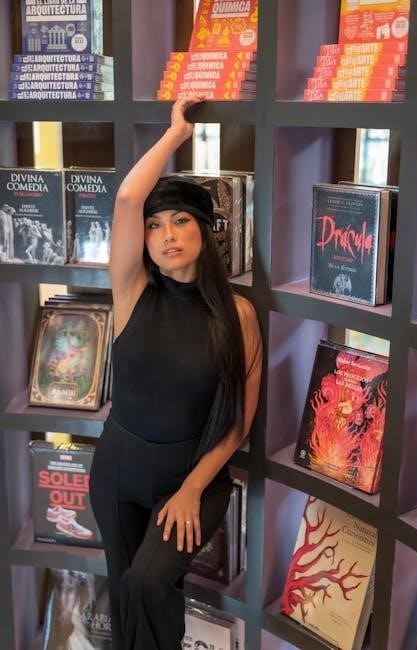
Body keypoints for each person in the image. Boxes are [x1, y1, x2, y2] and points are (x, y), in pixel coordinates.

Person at [89, 97, 262, 650]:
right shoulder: (132, 292)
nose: (167, 235)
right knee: (125, 593)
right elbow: (127, 198)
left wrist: (191, 488)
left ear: (205, 231)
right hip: (118, 468)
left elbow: (238, 421)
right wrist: (174, 136)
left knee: (149, 581)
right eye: (155, 225)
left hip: (193, 475)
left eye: (181, 221)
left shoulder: (237, 315)